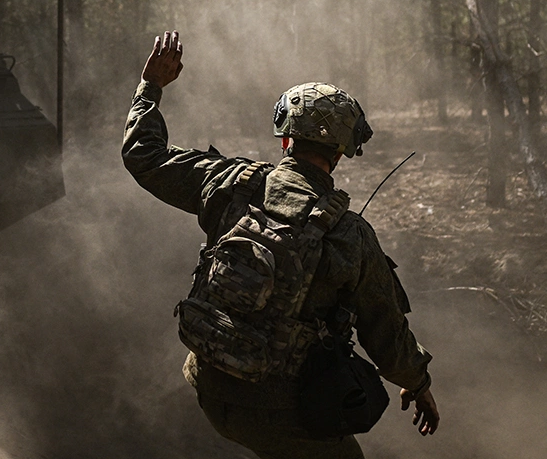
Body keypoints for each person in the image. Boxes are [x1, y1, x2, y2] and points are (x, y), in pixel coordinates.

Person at [122, 31, 439, 459]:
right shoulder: (350, 235)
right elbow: (386, 335)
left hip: (210, 386)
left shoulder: (228, 182)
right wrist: (418, 384)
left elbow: (144, 155)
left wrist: (152, 86)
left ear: (285, 139)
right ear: (341, 153)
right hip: (282, 411)